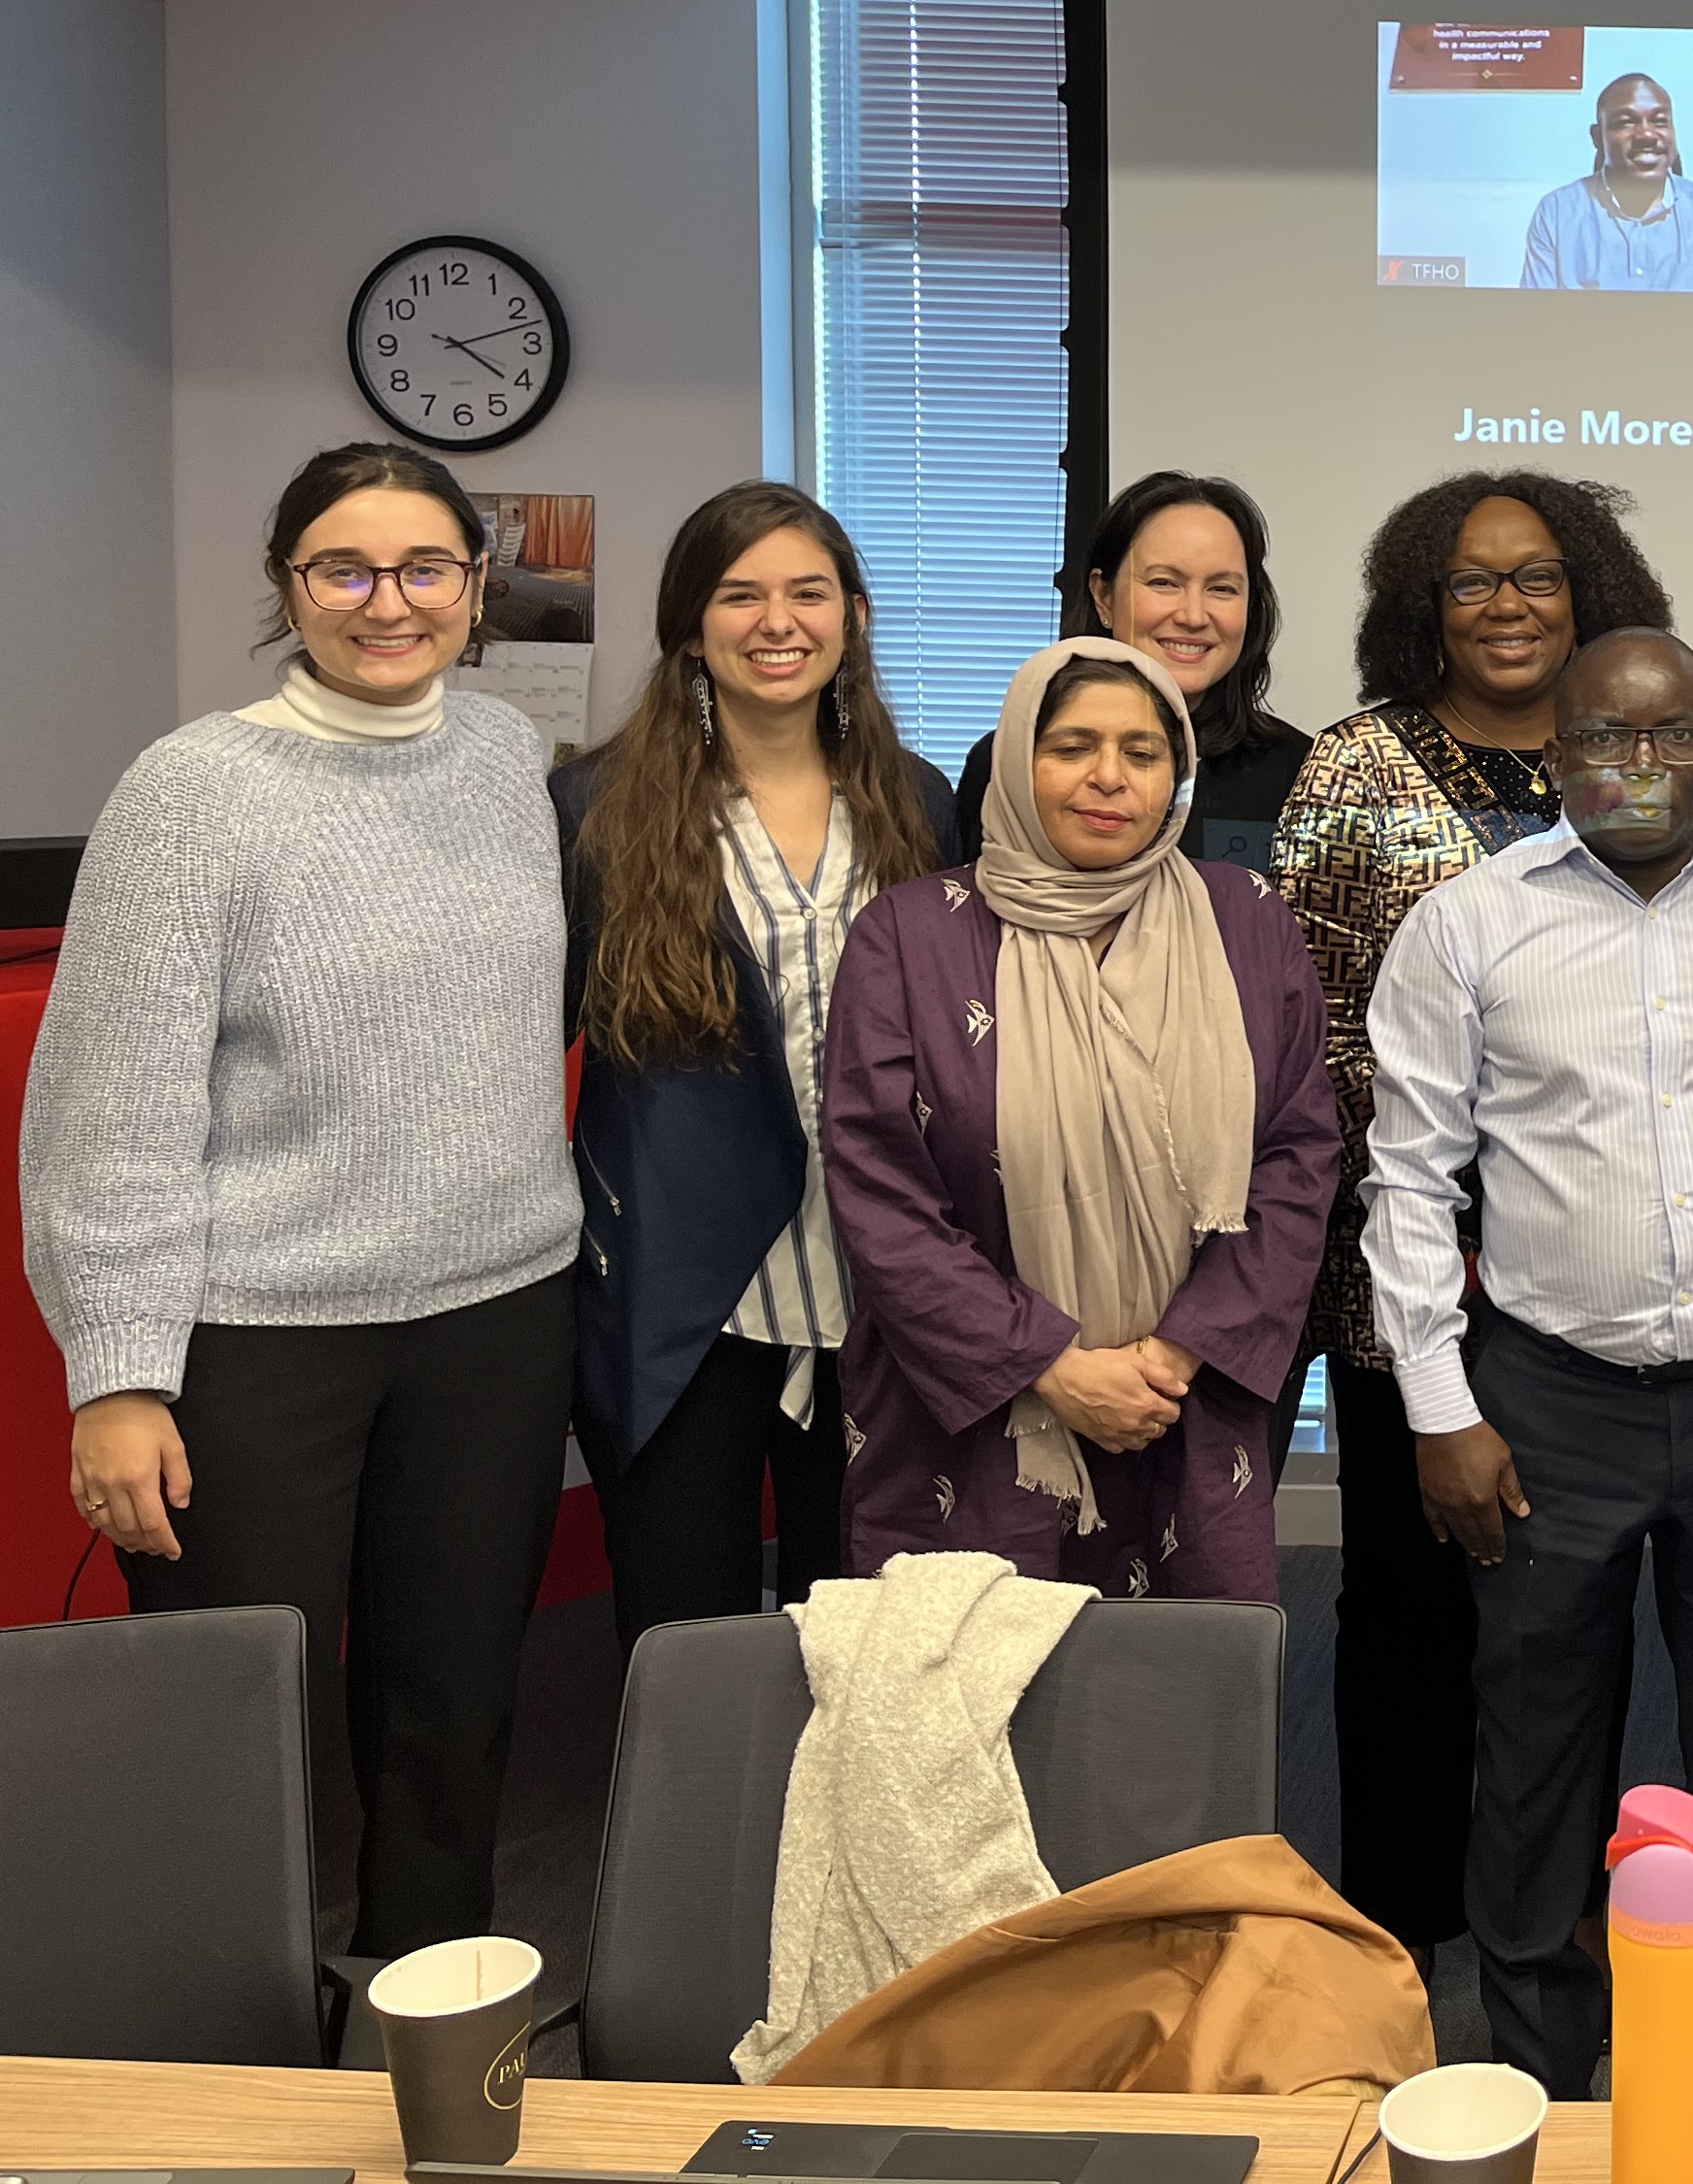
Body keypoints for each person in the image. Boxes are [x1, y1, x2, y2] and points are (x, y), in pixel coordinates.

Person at [26, 440, 578, 1955]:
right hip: (259, 1341)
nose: (385, 602)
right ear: (289, 587)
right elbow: (107, 1109)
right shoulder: (193, 791)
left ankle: (432, 2019)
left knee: (452, 1717)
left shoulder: (507, 767)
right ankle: (231, 2056)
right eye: (345, 568)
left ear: (477, 589)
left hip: (498, 1321)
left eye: (423, 569)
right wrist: (120, 1376)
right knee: (236, 1721)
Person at [1366, 631, 1693, 2101]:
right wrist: (1440, 1408)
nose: (1634, 768)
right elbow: (1409, 1182)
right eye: (1599, 740)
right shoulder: (1468, 924)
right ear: (1556, 755)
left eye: (1666, 740)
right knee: (1535, 1742)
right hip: (1544, 1399)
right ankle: (1535, 2048)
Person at [1271, 470, 1676, 1965]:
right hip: (1415, 1267)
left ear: (1591, 594)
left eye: (1537, 578)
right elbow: (1312, 1028)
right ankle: (1403, 1910)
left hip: (1592, 1270)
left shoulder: (1630, 762)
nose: (1508, 606)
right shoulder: (1355, 765)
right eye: (1472, 582)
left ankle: (1558, 1897)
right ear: (1419, 608)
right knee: (1408, 1604)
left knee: (1570, 1610)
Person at [825, 639, 1332, 1601]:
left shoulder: (1247, 920)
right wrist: (1048, 1362)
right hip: (972, 1423)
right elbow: (879, 1189)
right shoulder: (910, 935)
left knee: (1177, 1711)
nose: (1110, 777)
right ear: (1020, 761)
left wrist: (1176, 1351)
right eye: (1072, 746)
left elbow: (1299, 1156)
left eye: (1143, 752)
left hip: (1180, 1403)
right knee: (972, 1707)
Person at [560, 481, 957, 1648]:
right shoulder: (594, 808)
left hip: (882, 1289)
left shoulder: (920, 806)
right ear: (691, 625)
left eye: (806, 592)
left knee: (869, 1650)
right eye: (739, 595)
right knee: (686, 1641)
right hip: (687, 1303)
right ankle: (700, 1843)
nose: (776, 622)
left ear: (854, 617)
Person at [956, 471, 1311, 875]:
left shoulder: (1303, 774)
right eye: (1164, 582)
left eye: (1222, 589)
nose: (1193, 616)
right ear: (1103, 596)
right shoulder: (1014, 758)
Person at [1518, 73, 1693, 293]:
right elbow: (1537, 323)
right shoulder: (1557, 212)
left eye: (1660, 121)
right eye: (1627, 122)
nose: (1647, 135)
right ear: (1598, 137)